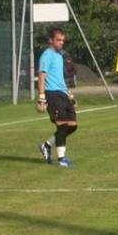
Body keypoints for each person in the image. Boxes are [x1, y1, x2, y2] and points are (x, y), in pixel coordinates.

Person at [36, 28, 77, 168]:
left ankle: (46, 145)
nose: (61, 43)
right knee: (62, 125)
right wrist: (42, 98)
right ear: (51, 40)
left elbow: (59, 78)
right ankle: (62, 159)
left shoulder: (60, 56)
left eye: (63, 40)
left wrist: (69, 94)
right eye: (58, 40)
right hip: (52, 94)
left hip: (62, 93)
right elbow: (42, 77)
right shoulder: (46, 55)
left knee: (72, 125)